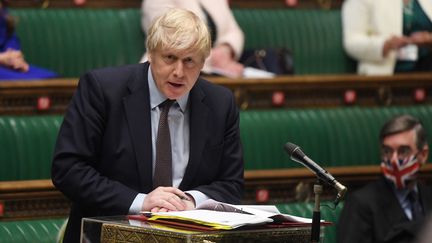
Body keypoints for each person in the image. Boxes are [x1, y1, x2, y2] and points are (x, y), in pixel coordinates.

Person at [51, 8, 244, 243]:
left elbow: (231, 183)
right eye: (170, 58)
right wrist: (141, 201)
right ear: (151, 54)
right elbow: (69, 169)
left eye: (190, 61)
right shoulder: (102, 90)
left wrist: (190, 201)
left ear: (204, 62)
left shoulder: (220, 103)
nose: (179, 72)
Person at [337, 114, 432, 243]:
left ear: (423, 155)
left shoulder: (428, 197)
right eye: (387, 151)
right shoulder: (361, 204)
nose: (393, 160)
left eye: (403, 151)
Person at [140, 0, 245, 78]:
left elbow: (234, 31)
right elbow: (173, 41)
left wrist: (226, 49)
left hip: (218, 71)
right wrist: (215, 58)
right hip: (171, 72)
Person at [342, 0, 432, 75]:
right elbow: (352, 42)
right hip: (384, 75)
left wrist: (429, 39)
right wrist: (386, 44)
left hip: (427, 72)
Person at [0, 0, 57, 80]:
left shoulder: (3, 11)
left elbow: (10, 39)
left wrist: (14, 57)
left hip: (9, 66)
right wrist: (2, 58)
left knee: (53, 79)